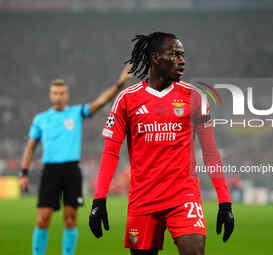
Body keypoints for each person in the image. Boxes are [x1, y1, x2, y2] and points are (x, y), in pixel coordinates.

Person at [89, 32, 235, 255]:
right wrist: (99, 200)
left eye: (183, 55)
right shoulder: (127, 99)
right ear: (156, 58)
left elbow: (211, 152)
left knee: (195, 251)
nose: (182, 60)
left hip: (183, 196)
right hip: (143, 199)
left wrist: (225, 202)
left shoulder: (195, 97)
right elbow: (110, 152)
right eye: (175, 54)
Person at [20, 64, 132, 255]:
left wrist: (119, 84)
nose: (58, 96)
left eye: (61, 93)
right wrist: (24, 173)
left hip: (71, 171)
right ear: (50, 95)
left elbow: (99, 103)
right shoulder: (41, 119)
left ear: (67, 95)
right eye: (55, 93)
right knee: (42, 218)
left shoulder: (76, 113)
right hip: (50, 171)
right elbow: (30, 146)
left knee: (70, 218)